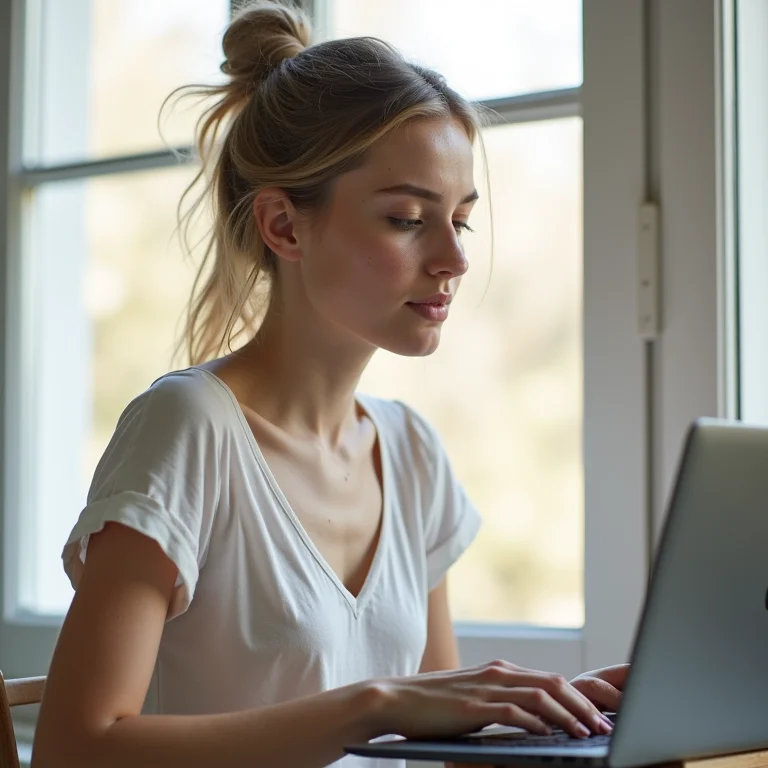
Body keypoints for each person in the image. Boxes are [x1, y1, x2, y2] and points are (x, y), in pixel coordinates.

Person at [32, 2, 628, 767]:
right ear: (285, 227)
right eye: (409, 218)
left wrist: (555, 709)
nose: (454, 258)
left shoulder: (410, 450)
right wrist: (370, 705)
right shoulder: (188, 427)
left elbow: (429, 730)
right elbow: (74, 747)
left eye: (462, 220)